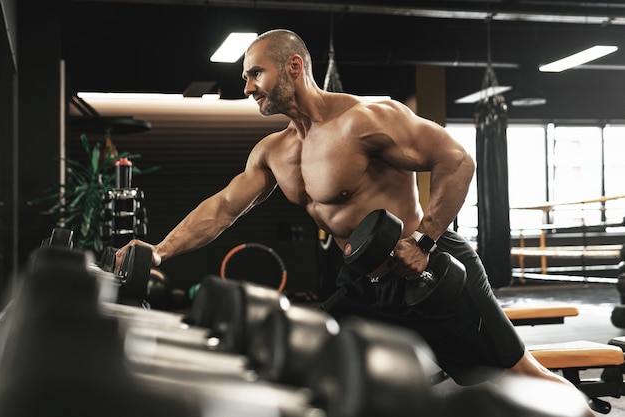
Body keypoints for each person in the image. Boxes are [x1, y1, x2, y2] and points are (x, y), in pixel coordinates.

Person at [117, 29, 593, 414]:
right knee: (309, 365)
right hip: (364, 282)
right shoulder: (274, 152)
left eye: (255, 73)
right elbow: (222, 207)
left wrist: (423, 240)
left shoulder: (365, 120)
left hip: (428, 271)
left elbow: (457, 160)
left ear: (294, 67)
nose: (247, 88)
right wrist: (159, 250)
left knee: (518, 378)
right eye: (245, 77)